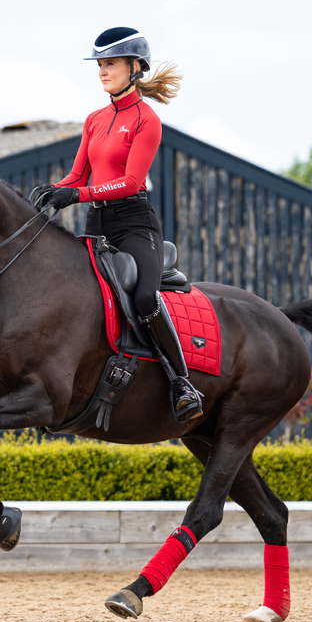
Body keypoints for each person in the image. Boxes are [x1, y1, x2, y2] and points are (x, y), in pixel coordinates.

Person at [35, 26, 202, 422]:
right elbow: (78, 176)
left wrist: (76, 196)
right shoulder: (94, 119)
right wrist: (51, 191)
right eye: (100, 65)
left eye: (109, 64)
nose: (102, 72)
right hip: (97, 221)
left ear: (134, 67)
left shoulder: (147, 120)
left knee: (144, 298)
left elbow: (128, 182)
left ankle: (181, 383)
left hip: (134, 224)